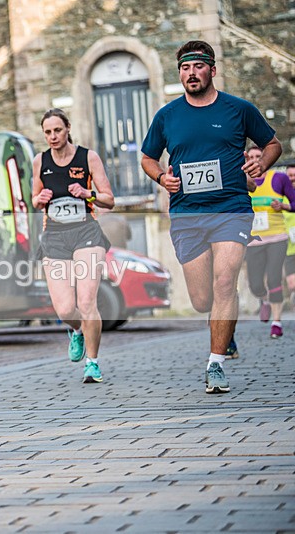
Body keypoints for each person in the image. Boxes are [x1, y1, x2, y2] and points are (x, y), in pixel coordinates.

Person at [140, 40, 281, 394]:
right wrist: (161, 177)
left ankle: (215, 363)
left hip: (231, 209)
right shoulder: (167, 116)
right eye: (185, 68)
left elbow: (273, 143)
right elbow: (147, 158)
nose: (191, 73)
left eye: (198, 67)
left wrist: (261, 162)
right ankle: (225, 329)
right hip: (187, 214)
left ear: (212, 70)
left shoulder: (238, 109)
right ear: (180, 74)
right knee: (203, 299)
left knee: (224, 283)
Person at [31, 108, 115, 384]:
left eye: (57, 130)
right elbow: (34, 199)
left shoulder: (88, 157)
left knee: (86, 301)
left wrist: (88, 194)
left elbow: (109, 199)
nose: (53, 136)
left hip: (86, 232)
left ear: (68, 128)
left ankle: (92, 363)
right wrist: (40, 198)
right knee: (65, 309)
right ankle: (78, 330)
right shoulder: (39, 161)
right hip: (54, 235)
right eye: (47, 132)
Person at [245, 147, 295, 339]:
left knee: (274, 278)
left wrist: (282, 206)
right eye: (252, 157)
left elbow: (294, 202)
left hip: (277, 237)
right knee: (256, 284)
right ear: (247, 159)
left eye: (260, 156)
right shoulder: (241, 180)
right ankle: (264, 300)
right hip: (253, 240)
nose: (256, 160)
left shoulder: (279, 179)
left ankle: (277, 321)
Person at [284, 164, 295, 307]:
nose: (292, 178)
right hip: (288, 249)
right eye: (289, 176)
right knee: (292, 284)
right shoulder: (282, 198)